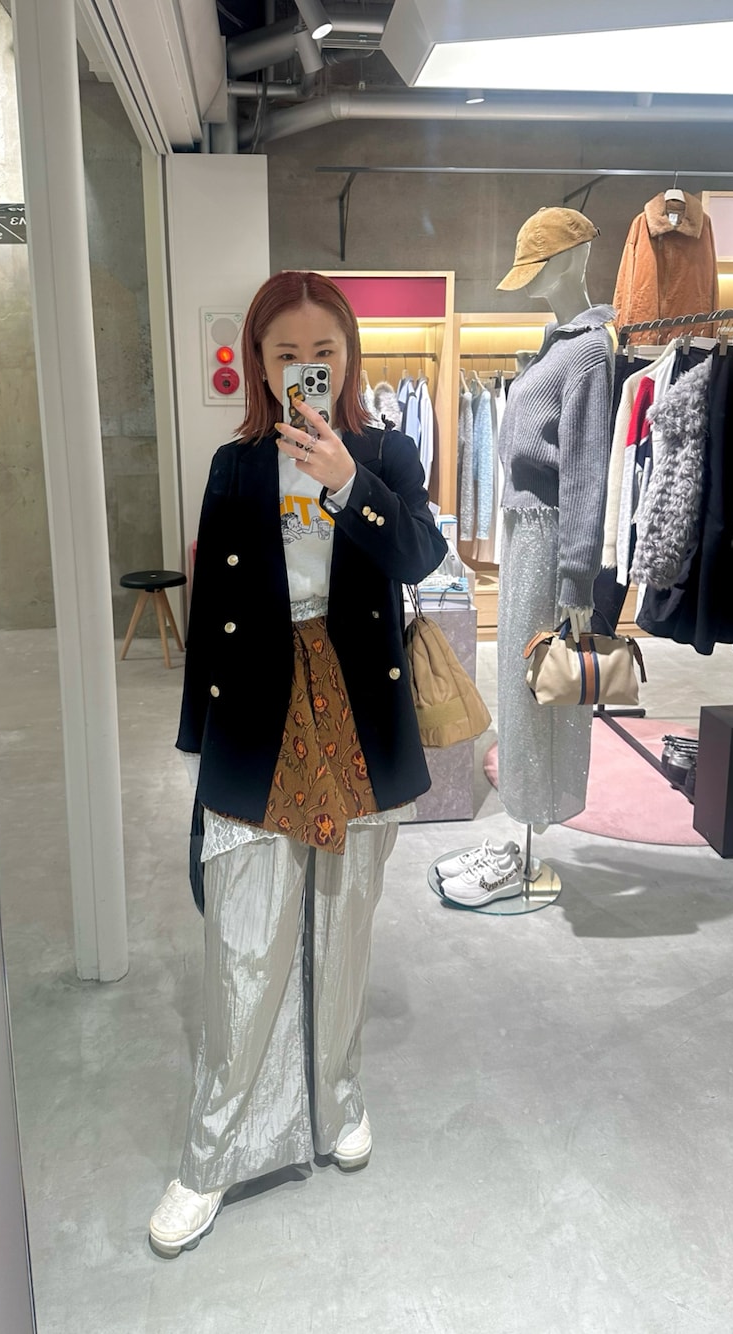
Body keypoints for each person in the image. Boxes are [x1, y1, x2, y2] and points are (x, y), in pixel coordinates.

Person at [149, 271, 447, 1259]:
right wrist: (199, 741)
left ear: (348, 356)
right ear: (260, 363)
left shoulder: (386, 453)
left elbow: (419, 555)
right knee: (246, 935)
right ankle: (211, 1155)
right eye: (286, 354)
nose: (307, 368)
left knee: (344, 921)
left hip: (357, 708)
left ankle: (340, 1098)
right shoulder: (234, 465)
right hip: (258, 709)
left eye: (324, 351)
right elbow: (209, 613)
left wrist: (349, 483)